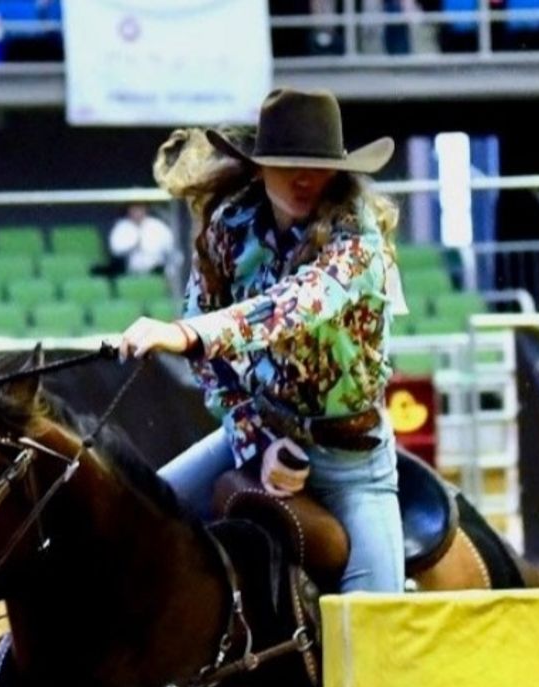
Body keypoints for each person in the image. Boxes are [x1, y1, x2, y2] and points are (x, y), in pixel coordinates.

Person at [117, 87, 406, 594]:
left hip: (352, 464)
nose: (304, 178)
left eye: (317, 164)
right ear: (258, 168)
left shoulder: (356, 236)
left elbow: (297, 304)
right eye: (286, 163)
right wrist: (258, 440)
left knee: (372, 631)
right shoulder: (229, 228)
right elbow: (213, 362)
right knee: (136, 523)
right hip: (260, 430)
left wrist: (187, 335)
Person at [101, 202, 178, 277]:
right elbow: (115, 250)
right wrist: (133, 246)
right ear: (128, 210)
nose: (137, 211)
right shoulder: (121, 226)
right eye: (134, 208)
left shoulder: (158, 226)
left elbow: (172, 250)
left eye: (140, 208)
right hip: (131, 273)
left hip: (157, 272)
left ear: (145, 209)